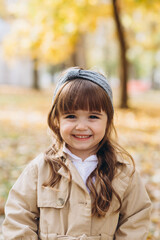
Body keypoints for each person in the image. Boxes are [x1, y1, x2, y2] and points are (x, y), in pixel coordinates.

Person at [2, 67, 151, 240]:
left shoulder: (123, 173)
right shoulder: (39, 170)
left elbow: (136, 221)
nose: (81, 126)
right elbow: (18, 220)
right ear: (57, 119)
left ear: (108, 120)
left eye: (93, 117)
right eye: (71, 116)